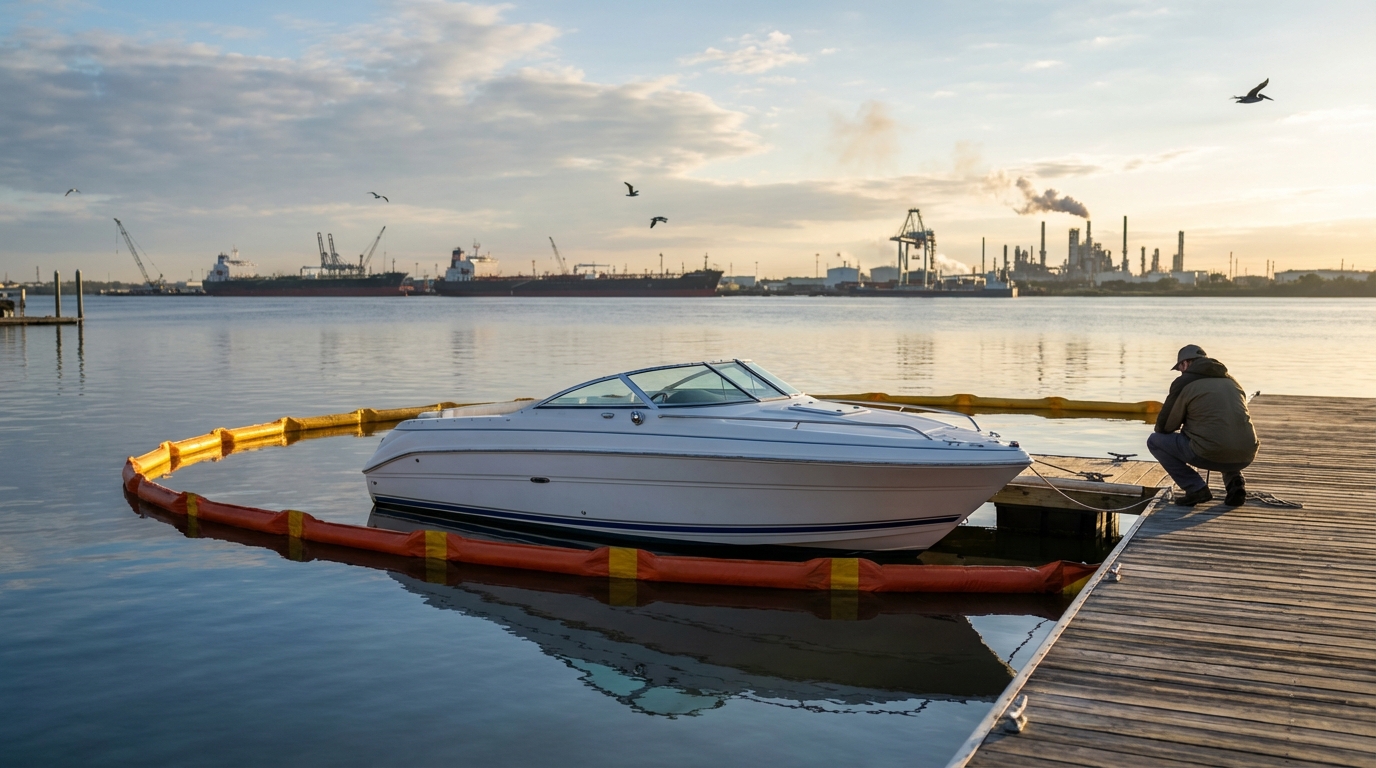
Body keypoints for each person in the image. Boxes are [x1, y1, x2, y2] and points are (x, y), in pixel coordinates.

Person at [1147, 344, 1259, 507]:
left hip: (1209, 453)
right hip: (1246, 454)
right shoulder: (1232, 381)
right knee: (1223, 432)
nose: (1181, 372)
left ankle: (1196, 488)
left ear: (1185, 363)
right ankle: (1235, 482)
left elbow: (1164, 427)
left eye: (1180, 368)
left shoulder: (1183, 382)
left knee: (1155, 441)